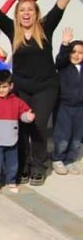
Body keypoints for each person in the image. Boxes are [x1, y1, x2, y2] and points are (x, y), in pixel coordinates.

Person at [0, 0, 77, 185]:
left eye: (30, 10)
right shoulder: (12, 30)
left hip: (46, 86)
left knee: (38, 125)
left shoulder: (45, 28)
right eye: (22, 10)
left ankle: (38, 166)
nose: (26, 13)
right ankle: (22, 165)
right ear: (17, 13)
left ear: (36, 13)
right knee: (21, 126)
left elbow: (59, 8)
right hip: (21, 86)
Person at [0, 70, 34, 194]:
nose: (1, 90)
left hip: (11, 138)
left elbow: (24, 114)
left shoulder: (17, 101)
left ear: (11, 86)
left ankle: (12, 181)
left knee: (13, 163)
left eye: (4, 86)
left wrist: (28, 117)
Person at [51, 28, 83, 175]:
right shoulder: (64, 66)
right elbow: (59, 60)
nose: (77, 55)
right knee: (62, 136)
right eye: (74, 51)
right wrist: (65, 44)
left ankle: (70, 160)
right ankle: (57, 158)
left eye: (80, 52)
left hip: (80, 107)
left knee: (77, 137)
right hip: (64, 106)